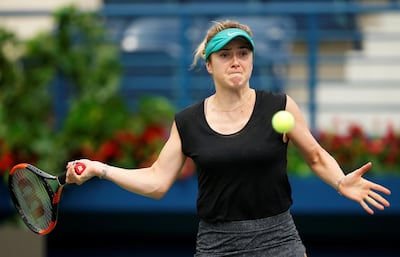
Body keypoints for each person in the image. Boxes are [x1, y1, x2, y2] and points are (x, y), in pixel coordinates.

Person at [66, 20, 391, 257]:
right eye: (224, 55)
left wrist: (340, 181)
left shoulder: (279, 106)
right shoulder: (188, 121)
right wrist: (100, 168)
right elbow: (156, 181)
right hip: (218, 245)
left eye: (243, 52)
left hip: (278, 240)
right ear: (209, 64)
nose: (235, 60)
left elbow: (316, 156)